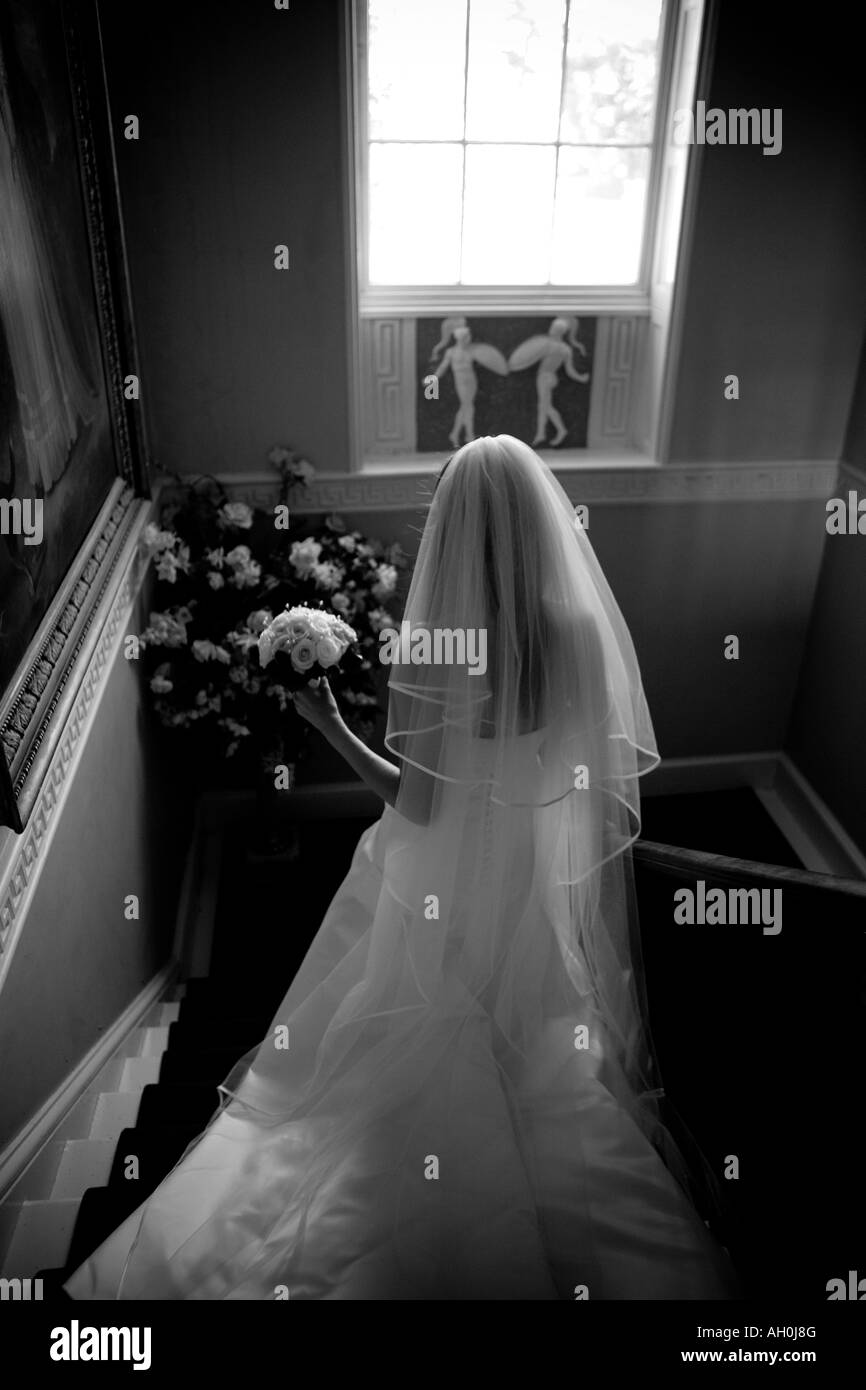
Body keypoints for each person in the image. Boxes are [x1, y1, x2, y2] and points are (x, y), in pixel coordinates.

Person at [65, 435, 736, 1300]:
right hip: (530, 879)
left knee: (393, 1036)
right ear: (540, 523)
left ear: (453, 526)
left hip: (439, 887)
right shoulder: (577, 630)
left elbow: (418, 803)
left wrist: (330, 726)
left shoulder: (439, 644)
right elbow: (586, 783)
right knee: (545, 1054)